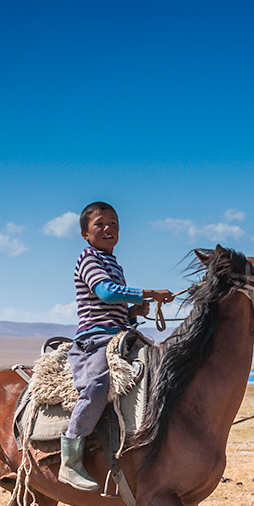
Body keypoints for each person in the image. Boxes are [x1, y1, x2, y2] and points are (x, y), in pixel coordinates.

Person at [60, 201, 174, 490]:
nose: (108, 228)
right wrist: (146, 293)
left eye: (113, 223)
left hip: (119, 334)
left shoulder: (114, 263)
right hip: (95, 338)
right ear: (85, 233)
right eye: (100, 224)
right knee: (96, 385)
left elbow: (115, 304)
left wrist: (133, 312)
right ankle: (70, 458)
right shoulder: (88, 258)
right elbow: (106, 293)